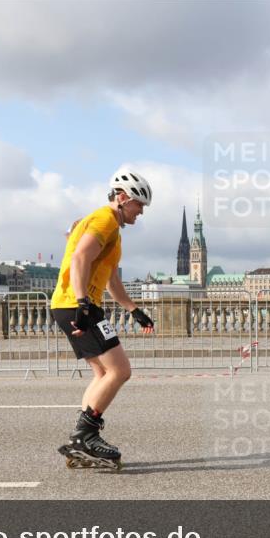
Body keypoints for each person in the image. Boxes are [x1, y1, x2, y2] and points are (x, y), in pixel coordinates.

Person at [50, 168, 155, 467]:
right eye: (139, 204)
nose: (141, 212)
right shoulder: (104, 219)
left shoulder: (112, 230)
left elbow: (111, 280)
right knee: (120, 371)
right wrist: (83, 303)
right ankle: (86, 435)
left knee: (102, 373)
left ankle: (82, 438)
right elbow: (80, 257)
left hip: (72, 304)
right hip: (78, 305)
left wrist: (134, 310)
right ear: (122, 198)